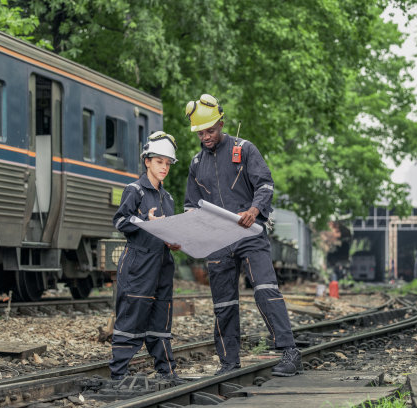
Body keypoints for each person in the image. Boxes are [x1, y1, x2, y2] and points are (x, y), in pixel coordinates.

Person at [183, 94, 303, 377]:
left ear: (221, 124)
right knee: (223, 302)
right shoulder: (196, 163)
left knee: (265, 290)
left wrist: (254, 209)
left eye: (210, 130)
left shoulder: (244, 149)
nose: (206, 136)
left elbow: (265, 185)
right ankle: (228, 363)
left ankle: (290, 353)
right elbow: (191, 205)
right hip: (217, 240)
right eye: (201, 133)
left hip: (249, 233)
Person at [110, 131, 182, 381]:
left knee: (161, 320)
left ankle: (167, 371)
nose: (164, 167)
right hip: (138, 266)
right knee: (133, 317)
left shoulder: (168, 198)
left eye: (167, 163)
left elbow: (167, 230)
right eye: (159, 161)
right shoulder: (135, 190)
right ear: (147, 161)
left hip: (162, 266)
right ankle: (118, 375)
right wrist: (144, 221)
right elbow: (119, 221)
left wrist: (174, 242)